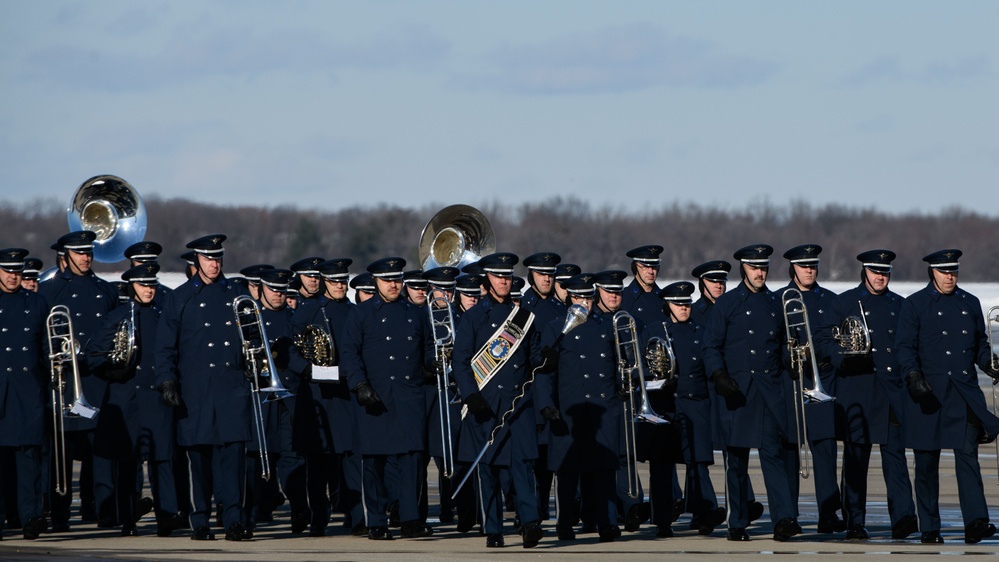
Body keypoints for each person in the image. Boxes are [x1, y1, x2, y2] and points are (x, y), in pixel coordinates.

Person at [895, 249, 999, 545]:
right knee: (926, 464)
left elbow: (978, 343)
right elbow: (904, 347)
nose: (949, 276)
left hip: (963, 395)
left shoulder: (970, 302)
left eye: (953, 271)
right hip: (927, 396)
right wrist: (913, 376)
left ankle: (976, 522)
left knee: (968, 457)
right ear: (933, 273)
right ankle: (930, 526)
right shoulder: (915, 305)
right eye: (944, 272)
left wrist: (990, 362)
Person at [154, 234, 252, 541]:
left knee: (234, 459)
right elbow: (165, 347)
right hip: (196, 391)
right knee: (199, 461)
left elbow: (253, 337)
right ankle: (200, 521)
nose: (214, 264)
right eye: (209, 259)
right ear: (197, 260)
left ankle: (234, 519)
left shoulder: (235, 293)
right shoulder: (180, 297)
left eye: (218, 258)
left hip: (232, 387)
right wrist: (168, 379)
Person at [701, 244, 800, 542]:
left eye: (764, 268)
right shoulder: (727, 304)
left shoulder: (775, 303)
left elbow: (783, 345)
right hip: (737, 392)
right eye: (755, 267)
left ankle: (784, 519)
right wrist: (719, 375)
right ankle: (738, 523)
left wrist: (792, 360)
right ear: (744, 267)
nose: (760, 272)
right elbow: (710, 346)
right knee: (737, 461)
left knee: (773, 456)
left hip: (769, 392)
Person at [452, 252, 545, 548]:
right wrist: (471, 395)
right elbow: (461, 361)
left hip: (518, 404)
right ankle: (493, 528)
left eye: (507, 276)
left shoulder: (524, 318)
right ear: (487, 280)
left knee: (523, 467)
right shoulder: (474, 317)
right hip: (486, 403)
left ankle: (530, 523)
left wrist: (546, 359)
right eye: (498, 275)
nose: (504, 280)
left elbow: (533, 359)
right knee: (488, 469)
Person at [86, 263, 185, 537]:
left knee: (162, 460)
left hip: (155, 397)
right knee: (128, 462)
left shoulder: (164, 316)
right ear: (132, 287)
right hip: (127, 396)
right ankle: (128, 518)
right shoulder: (117, 316)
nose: (148, 290)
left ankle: (167, 515)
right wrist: (112, 367)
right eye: (143, 285)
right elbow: (93, 355)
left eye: (152, 285)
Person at [339, 257, 434, 541]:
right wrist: (359, 385)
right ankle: (376, 521)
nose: (394, 284)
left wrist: (434, 363)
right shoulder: (362, 313)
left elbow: (427, 347)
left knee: (411, 461)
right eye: (387, 280)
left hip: (408, 396)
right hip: (375, 397)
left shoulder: (414, 312)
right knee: (375, 463)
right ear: (376, 282)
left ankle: (410, 518)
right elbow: (349, 354)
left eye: (397, 279)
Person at [834, 250, 917, 540]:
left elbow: (909, 346)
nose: (880, 276)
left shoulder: (901, 305)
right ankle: (854, 520)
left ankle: (904, 517)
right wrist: (843, 357)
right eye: (874, 271)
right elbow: (827, 343)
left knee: (895, 458)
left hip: (892, 391)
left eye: (884, 272)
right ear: (864, 272)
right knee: (856, 461)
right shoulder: (844, 302)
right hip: (859, 391)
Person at [40, 230, 120, 531]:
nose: (86, 257)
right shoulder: (49, 294)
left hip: (97, 383)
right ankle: (59, 515)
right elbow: (41, 339)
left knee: (101, 452)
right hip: (64, 385)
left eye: (88, 252)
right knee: (61, 453)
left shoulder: (106, 291)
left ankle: (104, 510)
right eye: (79, 252)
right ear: (67, 255)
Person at [536, 273, 623, 542]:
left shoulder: (607, 326)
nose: (584, 303)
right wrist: (547, 406)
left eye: (588, 297)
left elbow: (619, 365)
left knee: (604, 470)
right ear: (569, 298)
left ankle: (606, 522)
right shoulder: (555, 327)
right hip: (571, 408)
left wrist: (622, 394)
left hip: (603, 406)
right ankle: (564, 523)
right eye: (578, 297)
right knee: (567, 471)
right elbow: (544, 373)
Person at [643, 281, 726, 537]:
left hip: (696, 404)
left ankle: (704, 514)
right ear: (667, 305)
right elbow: (643, 368)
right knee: (662, 466)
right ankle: (662, 520)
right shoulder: (654, 330)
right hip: (666, 405)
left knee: (698, 463)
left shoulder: (701, 331)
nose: (684, 308)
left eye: (687, 304)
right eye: (678, 304)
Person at [291, 258, 363, 537]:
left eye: (343, 281)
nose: (340, 286)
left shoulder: (356, 312)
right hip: (318, 397)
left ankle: (358, 517)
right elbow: (292, 353)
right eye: (334, 282)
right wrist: (310, 370)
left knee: (352, 461)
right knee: (318, 466)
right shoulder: (307, 311)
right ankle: (318, 519)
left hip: (347, 396)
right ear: (323, 282)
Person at [778, 244, 845, 533]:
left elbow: (836, 340)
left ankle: (828, 514)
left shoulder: (831, 301)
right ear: (793, 268)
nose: (809, 270)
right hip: (790, 384)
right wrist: (787, 357)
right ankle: (788, 515)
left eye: (813, 266)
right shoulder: (778, 299)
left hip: (822, 382)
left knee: (825, 450)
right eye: (803, 266)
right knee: (789, 452)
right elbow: (772, 342)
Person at [0, 248, 50, 541]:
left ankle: (32, 516)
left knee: (29, 457)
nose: (12, 276)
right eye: (7, 271)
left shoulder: (37, 302)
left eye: (16, 271)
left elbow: (45, 347)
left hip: (29, 390)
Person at [621, 245, 665, 329]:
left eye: (654, 267)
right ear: (635, 268)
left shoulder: (665, 300)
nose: (651, 271)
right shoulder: (623, 299)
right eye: (645, 267)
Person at [690, 260, 731, 325]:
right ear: (702, 283)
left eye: (721, 281)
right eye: (713, 281)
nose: (718, 286)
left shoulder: (734, 310)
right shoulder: (691, 314)